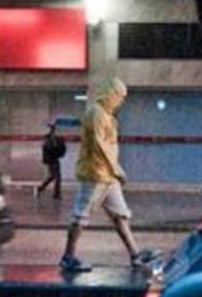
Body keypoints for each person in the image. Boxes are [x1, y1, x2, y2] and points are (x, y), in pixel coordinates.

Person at [59, 78, 158, 272]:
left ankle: (135, 255)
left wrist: (115, 170)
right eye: (119, 96)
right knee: (80, 216)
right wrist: (117, 169)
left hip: (108, 176)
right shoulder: (96, 113)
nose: (121, 100)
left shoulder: (107, 115)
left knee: (120, 215)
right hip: (95, 174)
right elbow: (99, 144)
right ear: (110, 93)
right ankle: (68, 257)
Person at [35, 121, 66, 200]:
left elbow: (62, 148)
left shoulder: (58, 138)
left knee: (52, 176)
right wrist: (53, 144)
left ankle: (40, 189)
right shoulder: (48, 138)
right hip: (51, 159)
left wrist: (58, 144)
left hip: (55, 158)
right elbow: (47, 148)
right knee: (58, 177)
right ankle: (56, 194)